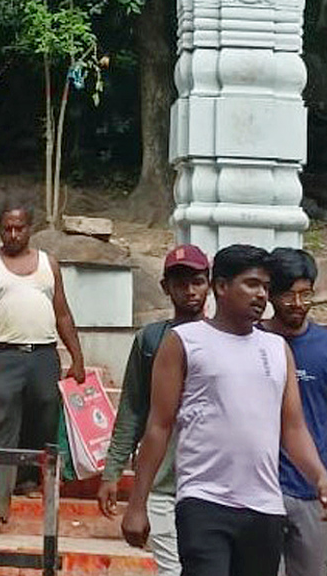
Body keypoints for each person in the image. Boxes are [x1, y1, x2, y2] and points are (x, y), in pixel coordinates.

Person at [121, 245, 327, 576]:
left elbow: (293, 428)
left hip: (265, 506)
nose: (261, 295)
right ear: (221, 287)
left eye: (265, 287)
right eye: (251, 284)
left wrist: (320, 477)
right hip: (204, 501)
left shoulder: (277, 349)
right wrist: (137, 505)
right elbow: (159, 426)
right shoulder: (184, 341)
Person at [0, 204, 86, 535]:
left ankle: (27, 478)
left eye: (19, 228)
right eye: (7, 229)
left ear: (31, 228)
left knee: (44, 415)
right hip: (4, 358)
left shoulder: (48, 265)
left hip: (43, 357)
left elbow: (63, 314)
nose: (13, 235)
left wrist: (77, 357)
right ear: (0, 230)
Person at [98, 244, 211, 575]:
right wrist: (112, 472)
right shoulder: (150, 341)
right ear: (165, 288)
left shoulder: (224, 338)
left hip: (211, 484)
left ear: (210, 283)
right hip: (162, 483)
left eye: (197, 281)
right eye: (180, 283)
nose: (189, 291)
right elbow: (133, 409)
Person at [262, 247, 327, 576]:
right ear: (271, 294)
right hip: (260, 488)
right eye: (288, 294)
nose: (298, 304)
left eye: (306, 294)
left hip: (313, 490)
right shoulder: (253, 339)